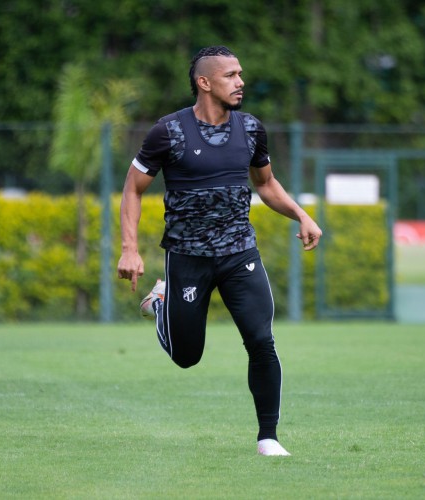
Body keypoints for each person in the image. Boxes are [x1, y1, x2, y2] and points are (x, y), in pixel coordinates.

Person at [117, 46, 322, 457]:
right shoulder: (168, 131)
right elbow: (133, 188)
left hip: (239, 252)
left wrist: (301, 214)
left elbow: (265, 184)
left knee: (261, 339)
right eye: (230, 75)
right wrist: (130, 249)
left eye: (240, 73)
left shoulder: (250, 129)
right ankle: (161, 304)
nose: (240, 81)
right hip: (187, 257)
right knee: (186, 357)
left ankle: (269, 437)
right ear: (204, 82)